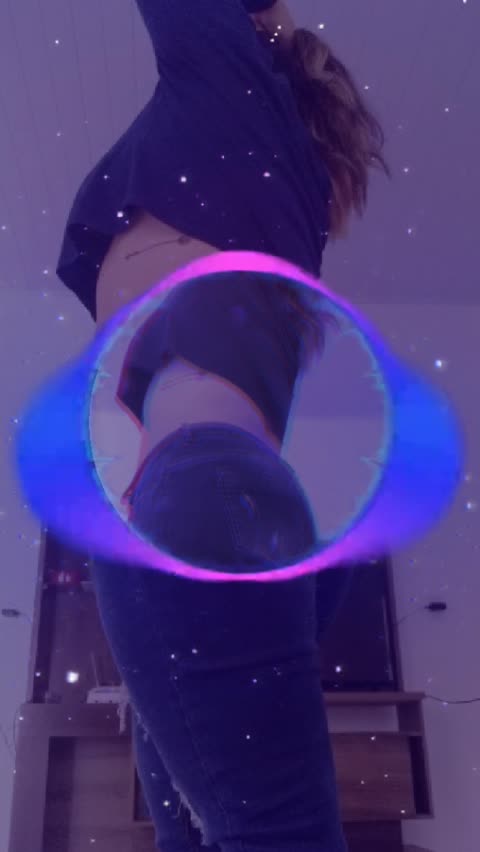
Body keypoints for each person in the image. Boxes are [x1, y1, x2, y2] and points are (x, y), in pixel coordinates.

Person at [56, 2, 390, 849]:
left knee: (251, 834)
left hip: (201, 495)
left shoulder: (237, 101)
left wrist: (266, 25)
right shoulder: (278, 205)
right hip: (206, 501)